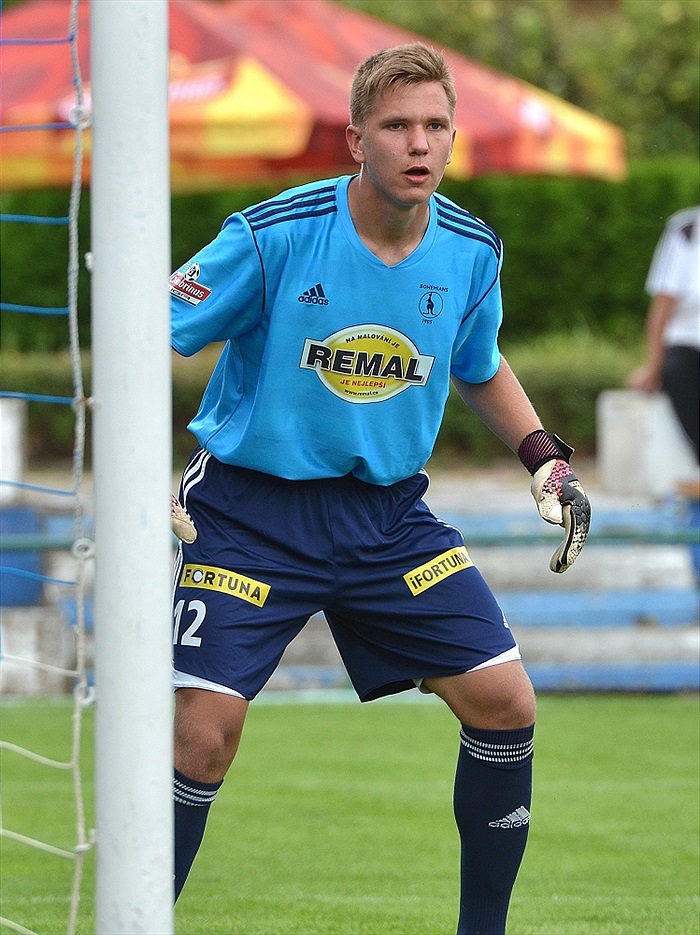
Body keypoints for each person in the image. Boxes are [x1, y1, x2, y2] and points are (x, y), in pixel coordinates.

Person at [169, 42, 591, 935]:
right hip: (249, 513)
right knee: (201, 736)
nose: (419, 143)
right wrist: (133, 472)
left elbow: (479, 367)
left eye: (436, 125)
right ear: (356, 139)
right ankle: (134, 921)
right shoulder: (271, 234)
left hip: (386, 518)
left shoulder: (472, 251)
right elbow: (147, 326)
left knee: (505, 700)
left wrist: (544, 457)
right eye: (397, 126)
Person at [629, 206, 700, 462]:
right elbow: (663, 305)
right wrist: (653, 367)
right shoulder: (687, 231)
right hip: (689, 345)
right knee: (679, 369)